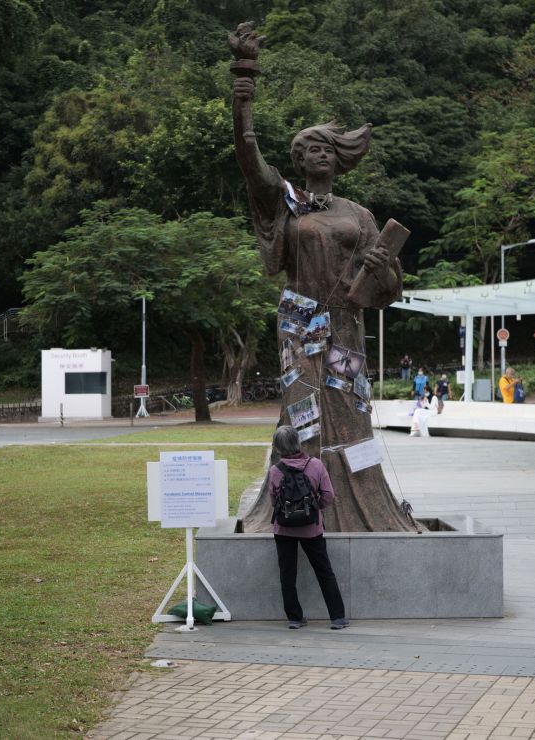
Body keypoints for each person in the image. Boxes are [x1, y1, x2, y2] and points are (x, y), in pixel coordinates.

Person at [230, 24, 416, 533]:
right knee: (301, 411)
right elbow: (248, 155)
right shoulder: (285, 204)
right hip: (298, 319)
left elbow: (390, 284)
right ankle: (291, 503)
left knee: (350, 408)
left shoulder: (358, 213)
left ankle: (363, 505)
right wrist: (243, 82)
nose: (322, 154)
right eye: (311, 148)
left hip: (346, 322)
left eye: (328, 147)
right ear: (298, 160)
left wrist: (382, 270)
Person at [268, 425, 350, 630]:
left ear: (277, 447)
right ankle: (337, 617)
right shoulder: (316, 465)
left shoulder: (275, 471)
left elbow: (273, 500)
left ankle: (295, 618)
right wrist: (314, 509)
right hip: (311, 529)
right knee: (324, 571)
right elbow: (329, 496)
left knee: (287, 573)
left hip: (283, 529)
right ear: (298, 441)